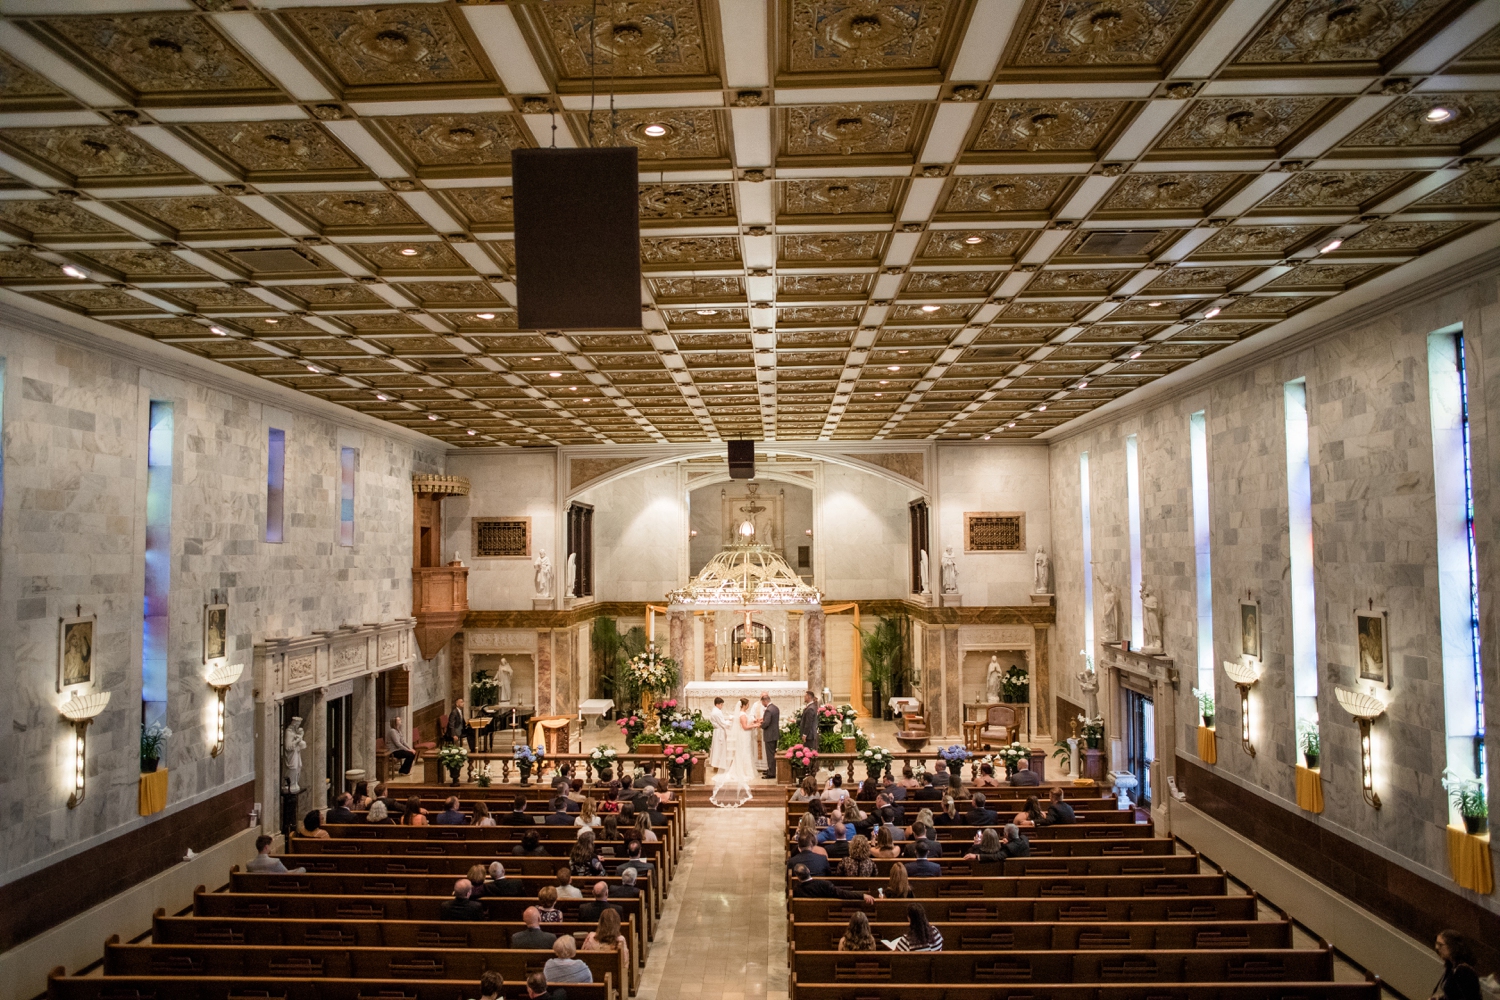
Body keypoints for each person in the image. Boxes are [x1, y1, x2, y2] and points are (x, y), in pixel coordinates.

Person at [711, 697, 757, 808]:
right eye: (748, 704)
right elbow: (744, 726)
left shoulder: (741, 714)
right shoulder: (741, 714)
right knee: (743, 753)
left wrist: (754, 722)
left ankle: (745, 769)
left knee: (746, 753)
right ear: (744, 705)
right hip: (742, 735)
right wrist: (754, 725)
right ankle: (743, 771)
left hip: (744, 736)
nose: (749, 706)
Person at [1432, 930, 1481, 1000]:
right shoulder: (1452, 966)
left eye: (1440, 945)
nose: (1437, 948)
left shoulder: (1463, 971)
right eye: (1436, 944)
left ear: (1452, 946)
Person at [791, 863, 875, 903]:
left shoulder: (796, 890)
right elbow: (842, 893)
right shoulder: (824, 885)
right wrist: (862, 895)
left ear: (798, 877)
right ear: (808, 870)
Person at [759, 692, 781, 778]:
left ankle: (771, 773)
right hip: (774, 734)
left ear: (765, 701)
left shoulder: (768, 709)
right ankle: (771, 769)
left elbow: (766, 723)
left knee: (770, 755)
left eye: (762, 702)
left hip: (769, 735)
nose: (762, 704)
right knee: (772, 753)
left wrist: (760, 725)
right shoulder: (775, 708)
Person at [709, 696, 732, 771]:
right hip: (719, 732)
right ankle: (717, 766)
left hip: (719, 731)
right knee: (719, 749)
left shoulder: (716, 711)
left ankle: (717, 765)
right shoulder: (716, 712)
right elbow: (722, 723)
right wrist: (731, 721)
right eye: (721, 704)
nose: (722, 706)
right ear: (718, 704)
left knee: (718, 749)